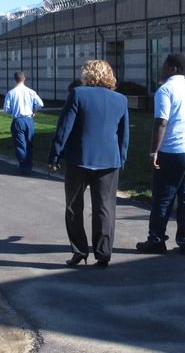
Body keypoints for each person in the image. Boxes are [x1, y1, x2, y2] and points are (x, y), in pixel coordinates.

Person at [48, 59, 129, 268]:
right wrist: (122, 158)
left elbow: (64, 128)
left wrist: (55, 155)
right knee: (105, 208)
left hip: (80, 159)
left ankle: (79, 250)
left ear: (87, 74)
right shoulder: (120, 100)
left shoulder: (78, 94)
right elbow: (123, 134)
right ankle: (103, 253)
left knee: (74, 207)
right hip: (110, 161)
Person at [136, 53, 185, 256]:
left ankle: (156, 240)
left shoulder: (165, 90)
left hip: (173, 150)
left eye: (165, 66)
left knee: (163, 197)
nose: (162, 69)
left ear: (173, 68)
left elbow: (162, 122)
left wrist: (153, 151)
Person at [3, 71, 44, 174]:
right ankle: (29, 165)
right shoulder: (31, 92)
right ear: (24, 78)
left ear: (15, 79)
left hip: (18, 120)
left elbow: (6, 109)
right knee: (29, 143)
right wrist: (33, 110)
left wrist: (13, 112)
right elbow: (40, 104)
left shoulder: (11, 92)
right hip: (29, 119)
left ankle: (23, 164)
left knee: (20, 144)